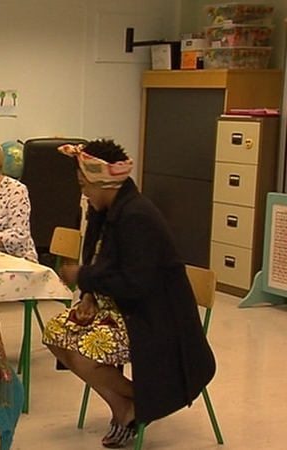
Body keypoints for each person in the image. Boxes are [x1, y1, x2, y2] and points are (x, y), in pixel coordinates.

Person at [42, 139, 215, 448]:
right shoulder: (105, 210)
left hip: (155, 318)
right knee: (56, 335)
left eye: (85, 185)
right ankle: (128, 406)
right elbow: (99, 260)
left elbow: (135, 284)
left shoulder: (137, 216)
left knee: (83, 353)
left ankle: (145, 402)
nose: (84, 192)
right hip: (123, 306)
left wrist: (84, 277)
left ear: (104, 183)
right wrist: (89, 294)